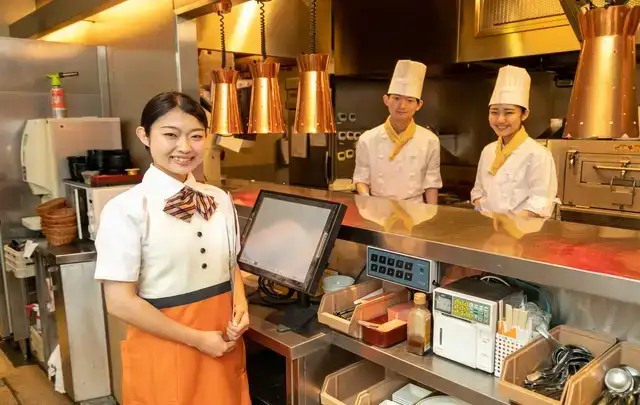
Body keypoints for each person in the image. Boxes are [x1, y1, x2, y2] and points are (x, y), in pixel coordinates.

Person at [94, 92, 250, 405]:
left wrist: (241, 304)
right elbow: (120, 303)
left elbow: (229, 262)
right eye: (170, 135)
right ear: (144, 136)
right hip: (165, 349)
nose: (185, 147)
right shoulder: (125, 209)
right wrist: (197, 339)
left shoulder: (219, 199)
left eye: (196, 136)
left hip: (223, 342)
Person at [471, 65, 559, 218]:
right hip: (487, 228)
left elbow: (540, 201)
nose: (500, 120)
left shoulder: (538, 154)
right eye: (494, 112)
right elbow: (478, 192)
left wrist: (510, 226)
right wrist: (481, 213)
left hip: (520, 230)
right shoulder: (488, 151)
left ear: (524, 114)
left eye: (508, 112)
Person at [353, 60, 442, 204]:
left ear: (419, 105)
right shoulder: (367, 139)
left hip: (415, 211)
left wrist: (433, 214)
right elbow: (361, 178)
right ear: (386, 100)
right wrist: (368, 202)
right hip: (378, 209)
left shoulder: (430, 140)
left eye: (410, 100)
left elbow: (432, 183)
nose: (402, 106)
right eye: (396, 98)